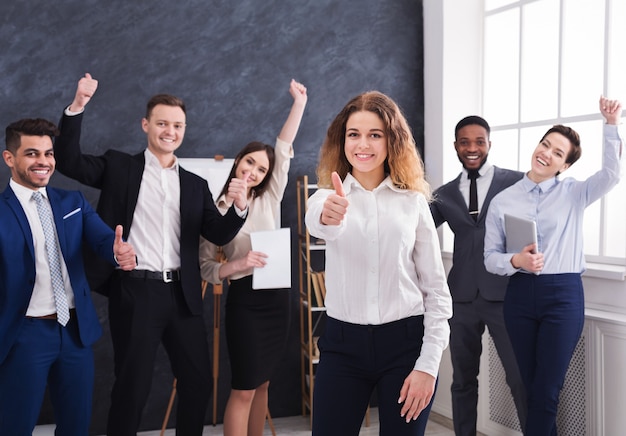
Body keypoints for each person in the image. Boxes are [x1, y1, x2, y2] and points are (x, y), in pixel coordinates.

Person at [53, 73, 248, 436]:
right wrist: (77, 105)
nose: (169, 131)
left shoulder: (194, 184)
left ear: (184, 129)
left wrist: (238, 207)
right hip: (136, 292)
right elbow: (68, 161)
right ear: (146, 125)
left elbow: (217, 233)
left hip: (182, 295)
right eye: (162, 123)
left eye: (177, 125)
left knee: (198, 382)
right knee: (132, 388)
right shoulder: (119, 167)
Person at [304, 91, 453, 436]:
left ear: (392, 141)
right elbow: (321, 222)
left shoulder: (413, 202)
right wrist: (330, 215)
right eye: (354, 134)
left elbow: (435, 290)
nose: (363, 144)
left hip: (406, 346)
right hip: (342, 345)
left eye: (375, 134)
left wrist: (428, 366)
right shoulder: (326, 197)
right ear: (342, 141)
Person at [484, 96, 623, 435]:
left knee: (547, 390)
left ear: (564, 166)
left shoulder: (575, 193)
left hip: (562, 296)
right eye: (545, 144)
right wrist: (516, 260)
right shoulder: (503, 199)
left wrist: (610, 125)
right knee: (530, 388)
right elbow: (490, 258)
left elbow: (611, 174)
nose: (546, 153)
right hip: (519, 297)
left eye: (557, 153)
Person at [0, 118, 137, 435]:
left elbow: (104, 241)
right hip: (24, 333)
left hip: (74, 331)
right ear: (10, 158)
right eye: (32, 153)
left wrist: (119, 252)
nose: (43, 162)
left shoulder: (71, 202)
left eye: (48, 154)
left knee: (76, 426)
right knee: (16, 426)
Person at [198, 79, 307, 436]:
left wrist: (299, 104)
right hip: (245, 302)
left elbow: (284, 144)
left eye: (261, 169)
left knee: (263, 385)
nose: (254, 172)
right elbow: (207, 268)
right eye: (249, 163)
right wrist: (239, 265)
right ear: (237, 162)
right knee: (244, 388)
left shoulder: (269, 196)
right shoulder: (214, 210)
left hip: (276, 299)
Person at [429, 115, 526, 435]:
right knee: (462, 380)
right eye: (465, 142)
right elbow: (414, 229)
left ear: (489, 144)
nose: (472, 148)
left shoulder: (514, 182)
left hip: (505, 294)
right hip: (462, 298)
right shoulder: (443, 194)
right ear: (456, 146)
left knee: (520, 377)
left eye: (479, 141)